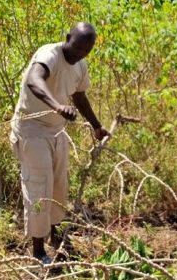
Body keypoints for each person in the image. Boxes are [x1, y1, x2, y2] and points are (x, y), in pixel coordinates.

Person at [9, 22, 109, 264]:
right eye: (76, 49)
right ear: (67, 38)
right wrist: (57, 106)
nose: (79, 55)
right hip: (32, 131)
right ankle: (38, 250)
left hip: (56, 132)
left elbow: (79, 96)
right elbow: (34, 80)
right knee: (38, 189)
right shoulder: (48, 55)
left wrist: (97, 126)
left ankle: (54, 235)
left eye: (85, 52)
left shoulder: (80, 65)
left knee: (58, 187)